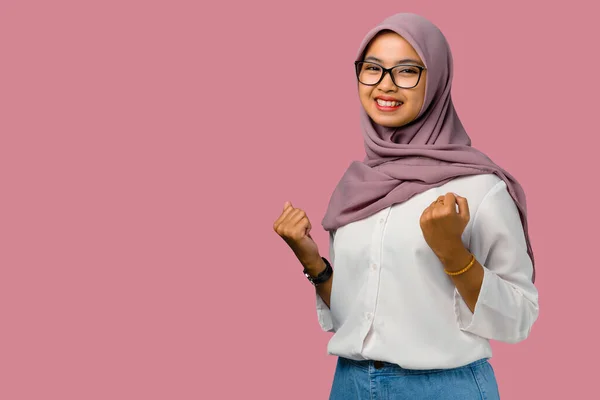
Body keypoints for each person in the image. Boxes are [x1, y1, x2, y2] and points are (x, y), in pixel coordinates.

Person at [273, 13, 538, 400]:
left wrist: (453, 254)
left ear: (437, 80)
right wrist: (314, 263)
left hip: (444, 388)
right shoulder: (357, 187)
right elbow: (363, 318)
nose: (386, 84)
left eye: (407, 71)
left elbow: (519, 318)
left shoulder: (481, 188)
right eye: (373, 68)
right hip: (349, 384)